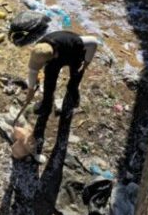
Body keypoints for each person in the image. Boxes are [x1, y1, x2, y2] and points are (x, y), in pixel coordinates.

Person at [21, 30, 98, 161]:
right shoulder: (39, 51)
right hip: (54, 60)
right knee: (49, 82)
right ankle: (46, 104)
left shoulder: (75, 42)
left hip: (73, 54)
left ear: (53, 56)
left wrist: (87, 62)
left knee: (76, 75)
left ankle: (73, 92)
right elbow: (33, 71)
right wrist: (30, 91)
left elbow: (93, 42)